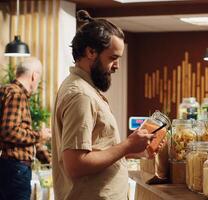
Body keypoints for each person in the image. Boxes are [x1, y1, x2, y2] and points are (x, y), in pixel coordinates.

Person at [52, 10, 162, 200]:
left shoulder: (85, 89)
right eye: (113, 58)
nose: (117, 65)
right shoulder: (81, 95)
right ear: (91, 52)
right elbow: (76, 165)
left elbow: (95, 150)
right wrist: (127, 145)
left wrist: (132, 151)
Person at [0, 57, 52, 200]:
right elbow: (9, 131)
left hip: (8, 168)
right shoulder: (17, 94)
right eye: (39, 79)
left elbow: (18, 135)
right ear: (34, 76)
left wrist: (48, 159)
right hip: (15, 170)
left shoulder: (6, 91)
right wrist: (39, 135)